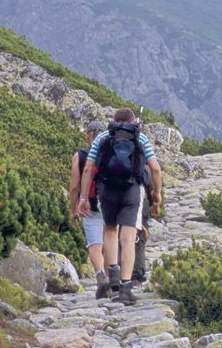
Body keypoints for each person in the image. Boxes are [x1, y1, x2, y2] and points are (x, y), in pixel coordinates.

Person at [77, 109, 163, 303]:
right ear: (133, 121)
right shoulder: (140, 138)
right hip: (132, 189)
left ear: (114, 121)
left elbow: (89, 168)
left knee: (109, 230)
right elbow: (155, 169)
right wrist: (156, 195)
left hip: (106, 189)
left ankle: (112, 272)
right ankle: (125, 287)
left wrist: (83, 198)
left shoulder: (102, 138)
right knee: (128, 237)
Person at [68, 121, 109, 296]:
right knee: (111, 241)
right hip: (111, 202)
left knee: (94, 243)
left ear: (88, 135)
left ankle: (101, 275)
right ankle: (112, 279)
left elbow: (74, 186)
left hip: (90, 203)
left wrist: (73, 209)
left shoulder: (80, 155)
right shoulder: (112, 152)